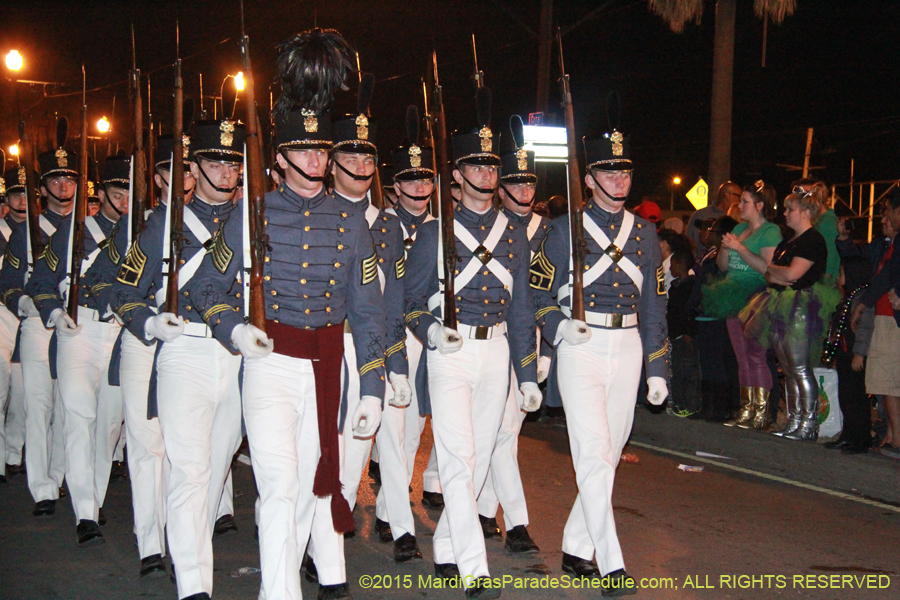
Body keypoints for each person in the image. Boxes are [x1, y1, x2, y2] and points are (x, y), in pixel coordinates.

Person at [404, 87, 539, 599]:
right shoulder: (435, 232)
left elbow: (523, 307)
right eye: (475, 167)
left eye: (491, 166)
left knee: (479, 456)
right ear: (456, 175)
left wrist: (526, 374)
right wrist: (431, 331)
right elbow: (411, 303)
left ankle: (444, 547)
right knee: (458, 459)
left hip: (498, 350)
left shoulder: (514, 232)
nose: (486, 175)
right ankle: (473, 568)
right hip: (450, 355)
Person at [109, 120, 247, 600]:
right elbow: (123, 290)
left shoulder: (254, 221)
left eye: (232, 162)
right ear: (193, 168)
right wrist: (148, 324)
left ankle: (189, 542)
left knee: (217, 461)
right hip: (184, 349)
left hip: (238, 355)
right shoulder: (161, 226)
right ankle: (193, 583)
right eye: (214, 162)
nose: (226, 171)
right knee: (189, 468)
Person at [530, 126, 668, 594]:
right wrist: (556, 329)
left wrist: (657, 366)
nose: (618, 179)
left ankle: (574, 545)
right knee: (592, 454)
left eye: (624, 171)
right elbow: (536, 294)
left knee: (606, 456)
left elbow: (653, 305)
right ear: (588, 179)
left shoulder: (647, 234)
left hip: (628, 346)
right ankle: (610, 562)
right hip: (581, 346)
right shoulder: (561, 229)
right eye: (608, 172)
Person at [27, 156, 131, 546]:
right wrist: (54, 311)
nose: (123, 200)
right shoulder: (75, 229)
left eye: (128, 193)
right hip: (79, 328)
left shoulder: (144, 229)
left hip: (122, 332)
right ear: (100, 192)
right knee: (78, 415)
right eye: (116, 192)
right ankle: (85, 511)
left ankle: (95, 495)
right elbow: (41, 278)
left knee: (107, 425)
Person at [475, 115, 548, 554]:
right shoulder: (492, 227)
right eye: (516, 186)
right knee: (498, 431)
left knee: (506, 431)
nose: (524, 194)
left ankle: (485, 509)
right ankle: (514, 520)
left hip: (533, 339)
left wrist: (548, 353)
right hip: (495, 338)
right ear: (500, 189)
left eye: (529, 186)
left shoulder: (551, 230)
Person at [373, 105, 436, 562]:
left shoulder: (444, 230)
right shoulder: (378, 226)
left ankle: (384, 510)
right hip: (389, 337)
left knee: (411, 436)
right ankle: (401, 528)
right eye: (411, 180)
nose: (419, 187)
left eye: (426, 179)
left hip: (430, 339)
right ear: (395, 185)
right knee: (392, 435)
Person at [0, 141, 75, 516]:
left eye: (69, 178)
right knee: (38, 404)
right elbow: (9, 282)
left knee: (68, 406)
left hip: (74, 326)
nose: (64, 186)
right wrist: (25, 303)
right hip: (36, 326)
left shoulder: (87, 228)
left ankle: (60, 476)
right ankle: (42, 488)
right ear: (42, 188)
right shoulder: (27, 231)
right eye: (56, 179)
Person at [741, 190, 839, 441]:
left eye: (790, 209)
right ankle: (795, 420)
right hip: (779, 303)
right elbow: (770, 275)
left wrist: (776, 271)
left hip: (800, 306)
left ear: (805, 212)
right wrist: (776, 272)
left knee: (801, 368)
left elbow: (793, 274)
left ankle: (809, 423)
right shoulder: (788, 242)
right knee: (787, 366)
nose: (785, 214)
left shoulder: (812, 240)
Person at [703, 182, 782, 429]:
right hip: (731, 294)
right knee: (741, 356)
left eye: (746, 201)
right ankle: (747, 408)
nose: (741, 206)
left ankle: (762, 411)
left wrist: (739, 247)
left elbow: (766, 267)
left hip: (755, 295)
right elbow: (724, 267)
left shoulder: (770, 231)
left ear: (759, 206)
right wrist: (726, 249)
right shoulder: (739, 228)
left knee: (756, 355)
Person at [851, 189, 900, 459]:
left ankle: (897, 439)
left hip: (892, 319)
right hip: (885, 315)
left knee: (889, 381)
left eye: (888, 210)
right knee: (885, 381)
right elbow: (884, 277)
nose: (886, 217)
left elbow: (889, 276)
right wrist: (865, 303)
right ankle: (892, 434)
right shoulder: (889, 245)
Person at [690, 216, 740, 422]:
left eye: (713, 230)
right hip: (703, 314)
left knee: (718, 363)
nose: (708, 233)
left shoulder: (724, 257)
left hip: (716, 314)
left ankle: (721, 407)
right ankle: (709, 405)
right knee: (708, 363)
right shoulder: (707, 254)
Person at [822, 256, 874, 454]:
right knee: (845, 396)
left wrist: (860, 353)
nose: (838, 277)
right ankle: (848, 434)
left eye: (842, 273)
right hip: (844, 354)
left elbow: (865, 328)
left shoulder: (862, 299)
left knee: (856, 398)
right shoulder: (847, 297)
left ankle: (861, 438)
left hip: (855, 356)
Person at [0, 167, 30, 482]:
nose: (22, 200)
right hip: (1, 313)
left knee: (22, 391)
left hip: (30, 314)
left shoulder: (44, 232)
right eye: (16, 194)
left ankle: (13, 452)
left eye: (27, 194)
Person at [667, 249, 700, 417]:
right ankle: (679, 403)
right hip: (675, 334)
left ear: (680, 265)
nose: (670, 268)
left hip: (684, 335)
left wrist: (688, 332)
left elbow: (688, 312)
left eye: (672, 264)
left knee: (686, 372)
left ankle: (689, 405)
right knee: (677, 371)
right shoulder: (675, 287)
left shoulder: (690, 287)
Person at [686, 181, 742, 250]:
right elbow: (689, 242)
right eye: (739, 196)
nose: (740, 200)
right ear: (728, 196)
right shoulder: (701, 215)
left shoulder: (739, 215)